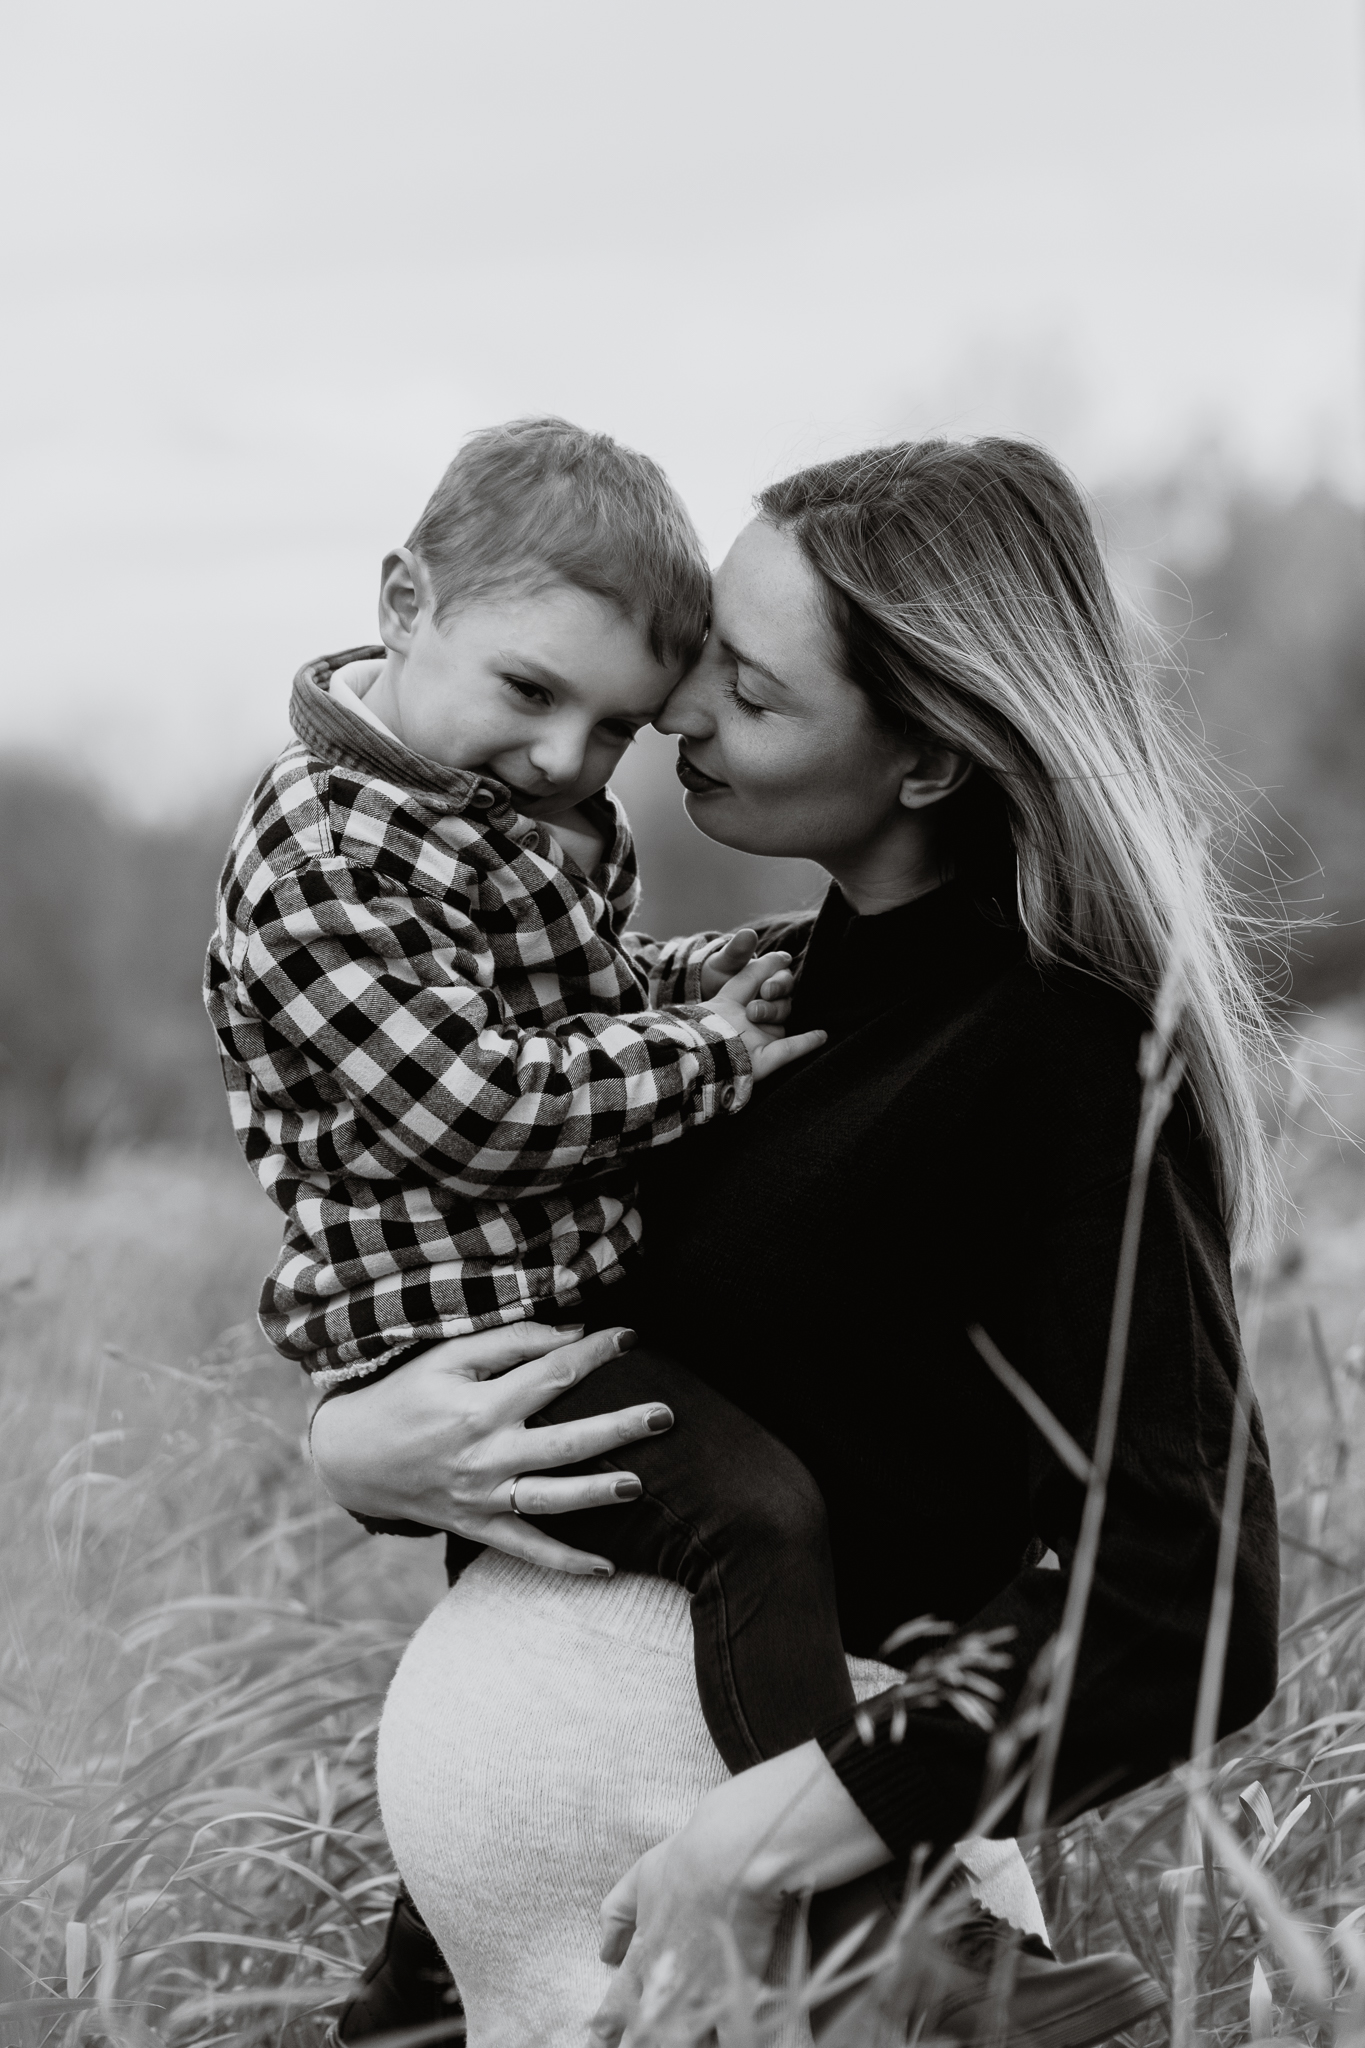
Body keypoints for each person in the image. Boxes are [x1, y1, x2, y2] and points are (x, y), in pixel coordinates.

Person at [322, 438, 1280, 2044]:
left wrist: (769, 1836)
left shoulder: (1060, 1054)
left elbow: (1178, 1611)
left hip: (768, 1957)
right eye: (703, 654)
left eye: (752, 693)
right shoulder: (757, 1008)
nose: (676, 714)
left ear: (929, 762)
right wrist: (363, 1449)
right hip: (516, 1971)